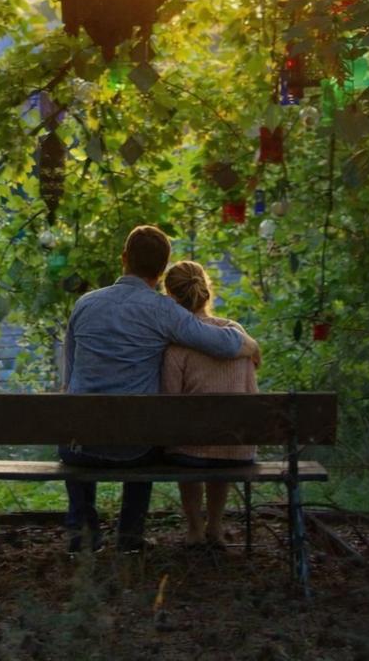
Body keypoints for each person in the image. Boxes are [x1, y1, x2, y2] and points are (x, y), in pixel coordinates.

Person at [60, 226, 261, 553]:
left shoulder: (85, 304)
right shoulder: (163, 310)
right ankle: (129, 537)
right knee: (147, 433)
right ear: (162, 268)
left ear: (124, 258)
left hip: (79, 446)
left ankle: (83, 534)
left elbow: (69, 378)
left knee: (78, 423)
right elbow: (218, 343)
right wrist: (248, 343)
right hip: (134, 449)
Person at [161, 260, 260, 546]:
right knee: (222, 441)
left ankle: (194, 529)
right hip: (237, 449)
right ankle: (215, 526)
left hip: (189, 453)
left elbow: (168, 403)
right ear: (206, 289)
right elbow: (251, 391)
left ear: (170, 297)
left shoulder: (176, 347)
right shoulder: (237, 334)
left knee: (188, 442)